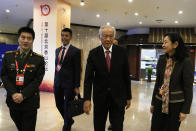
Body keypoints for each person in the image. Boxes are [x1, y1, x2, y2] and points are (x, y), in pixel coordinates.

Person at [83, 25, 131, 131]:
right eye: (105, 36)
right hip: (100, 98)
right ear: (99, 37)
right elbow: (88, 78)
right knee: (99, 126)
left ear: (114, 37)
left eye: (111, 36)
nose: (108, 39)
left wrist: (128, 97)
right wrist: (87, 99)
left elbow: (126, 76)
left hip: (118, 98)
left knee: (118, 127)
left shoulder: (122, 52)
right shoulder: (93, 53)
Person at [1, 26, 45, 131]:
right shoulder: (8, 56)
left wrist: (23, 95)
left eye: (29, 38)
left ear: (32, 41)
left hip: (30, 101)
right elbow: (4, 76)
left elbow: (37, 80)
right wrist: (14, 94)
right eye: (23, 37)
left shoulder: (38, 59)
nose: (25, 40)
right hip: (13, 100)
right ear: (18, 39)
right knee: (19, 125)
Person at [150, 32, 194, 131]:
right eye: (163, 42)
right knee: (155, 127)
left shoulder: (185, 62)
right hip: (159, 101)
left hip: (175, 105)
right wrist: (153, 102)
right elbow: (158, 82)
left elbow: (188, 87)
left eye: (166, 42)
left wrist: (185, 110)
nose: (163, 45)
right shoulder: (162, 59)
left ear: (175, 44)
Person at [54, 28, 81, 131]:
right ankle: (69, 120)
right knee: (58, 104)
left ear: (70, 37)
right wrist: (55, 81)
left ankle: (66, 126)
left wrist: (77, 86)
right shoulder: (57, 50)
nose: (64, 37)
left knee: (67, 106)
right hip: (58, 83)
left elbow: (78, 69)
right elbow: (56, 68)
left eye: (66, 36)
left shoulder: (75, 51)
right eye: (62, 35)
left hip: (70, 84)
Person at [108, 39, 118, 131]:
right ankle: (111, 122)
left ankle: (114, 123)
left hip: (117, 92)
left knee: (115, 111)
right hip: (105, 91)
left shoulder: (120, 54)